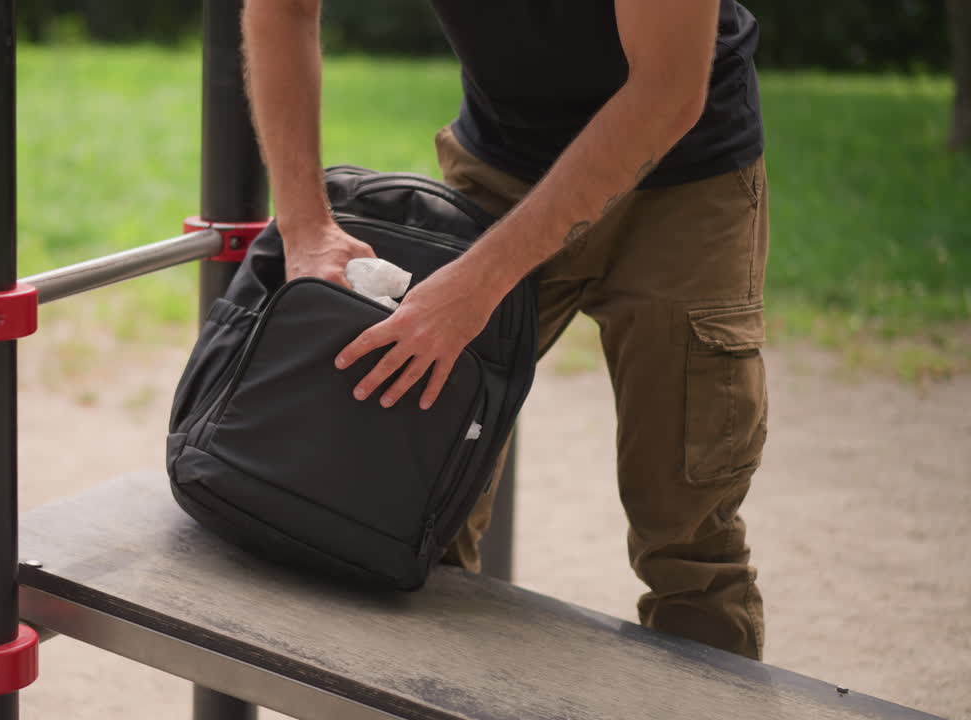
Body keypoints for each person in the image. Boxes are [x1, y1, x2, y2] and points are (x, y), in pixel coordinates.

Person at [242, 0, 769, 660]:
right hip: (503, 165)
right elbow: (281, 10)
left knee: (688, 534)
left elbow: (666, 91)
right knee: (412, 497)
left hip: (686, 179)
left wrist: (478, 284)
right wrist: (304, 224)